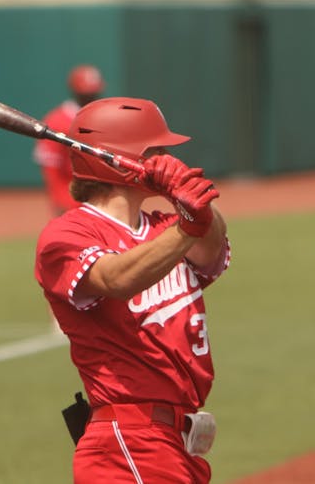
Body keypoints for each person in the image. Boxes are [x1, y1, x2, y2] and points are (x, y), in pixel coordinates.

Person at [34, 97, 230, 483]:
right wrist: (188, 224)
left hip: (173, 443)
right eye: (154, 151)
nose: (165, 160)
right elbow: (116, 280)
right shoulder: (66, 235)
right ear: (117, 159)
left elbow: (211, 249)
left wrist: (189, 201)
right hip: (129, 441)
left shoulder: (162, 227)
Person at [34, 64, 105, 216]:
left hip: (102, 198)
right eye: (85, 94)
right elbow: (50, 165)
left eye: (93, 93)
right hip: (71, 195)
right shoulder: (57, 120)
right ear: (75, 91)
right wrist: (60, 200)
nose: (90, 97)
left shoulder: (104, 117)